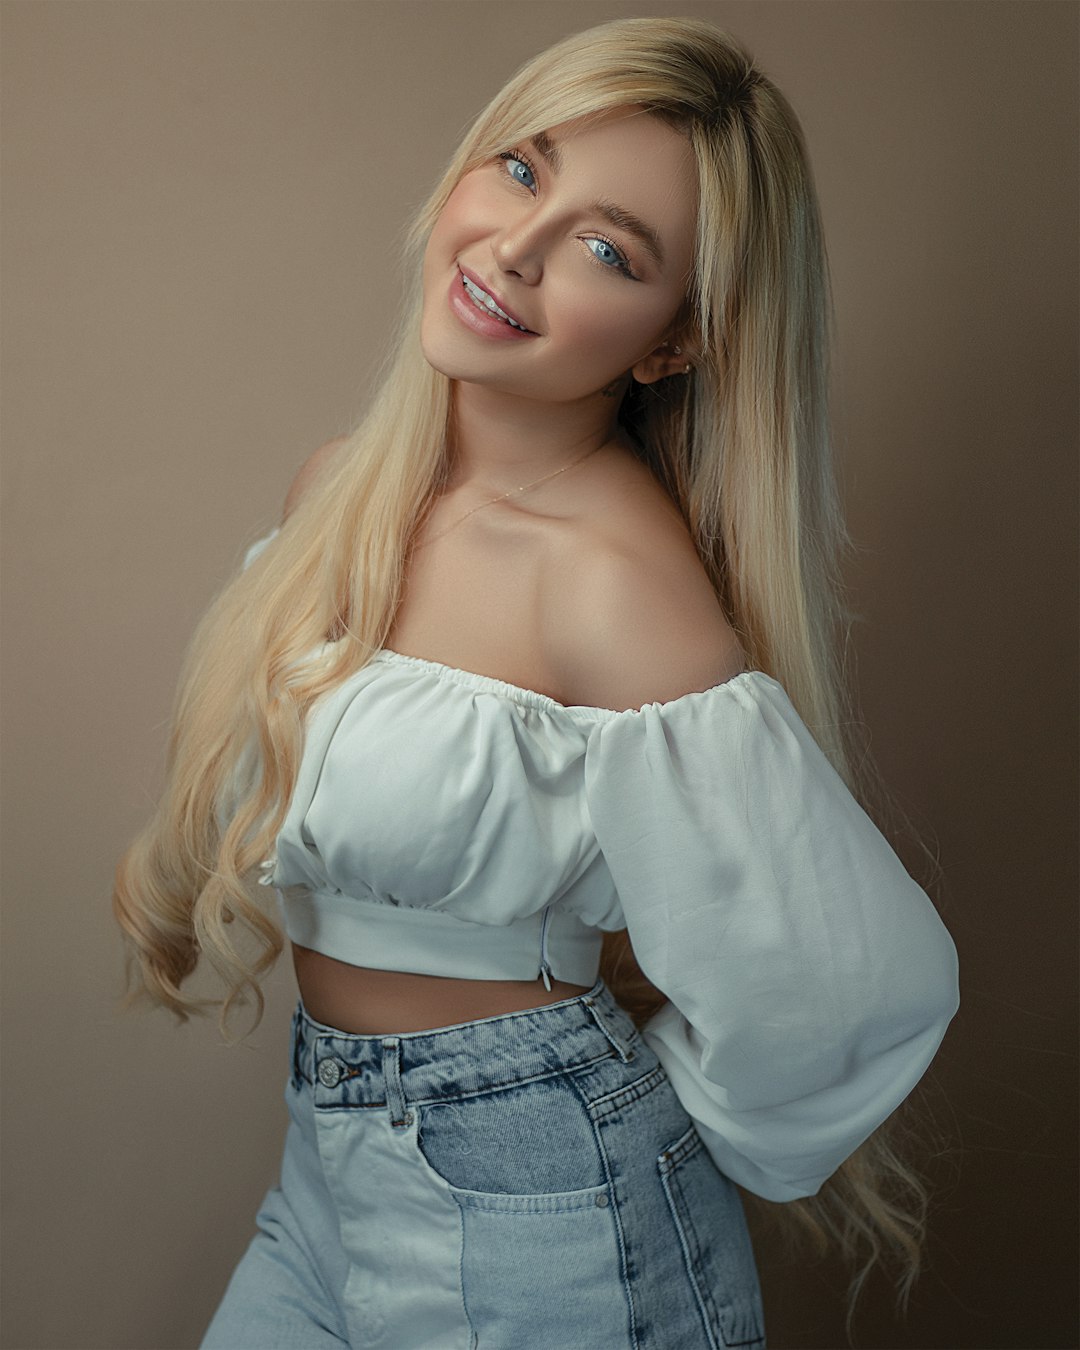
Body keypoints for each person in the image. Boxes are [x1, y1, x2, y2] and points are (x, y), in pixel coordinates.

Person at [113, 16, 960, 1348]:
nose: (516, 246)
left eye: (607, 248)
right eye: (521, 168)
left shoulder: (613, 582)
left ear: (673, 342)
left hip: (549, 1207)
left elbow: (850, 987)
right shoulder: (342, 492)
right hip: (329, 1164)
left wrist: (579, 1087)